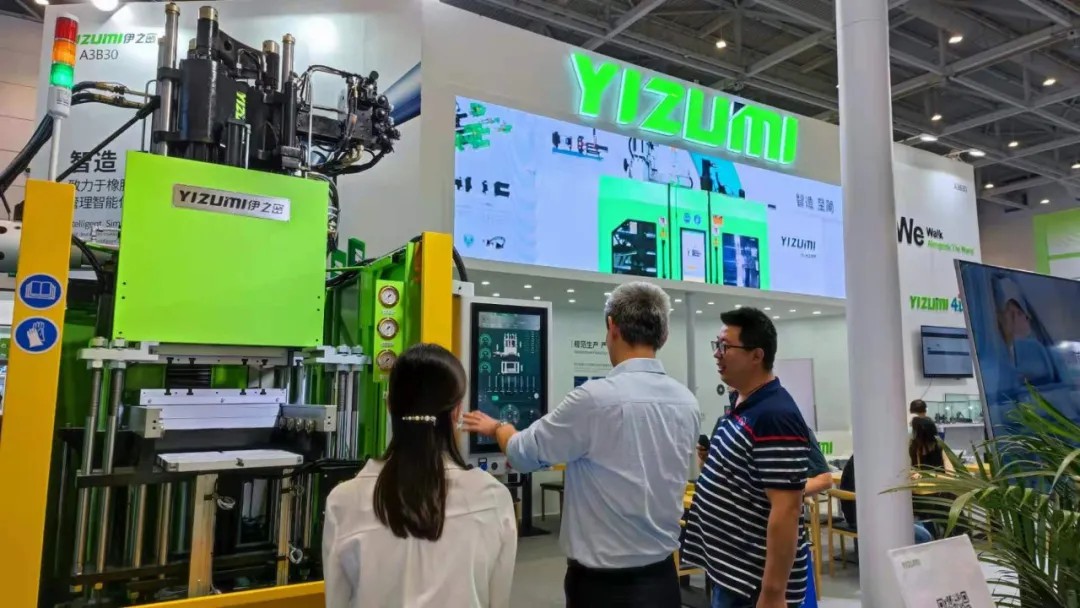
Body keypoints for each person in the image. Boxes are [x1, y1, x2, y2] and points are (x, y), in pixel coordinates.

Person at [463, 281, 700, 608]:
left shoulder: (594, 400)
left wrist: (497, 427)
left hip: (602, 589)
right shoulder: (687, 402)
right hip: (663, 581)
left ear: (612, 327)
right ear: (664, 334)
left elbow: (523, 454)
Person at [323, 343, 518, 608]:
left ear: (389, 404)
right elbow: (498, 600)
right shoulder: (493, 497)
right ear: (457, 412)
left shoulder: (343, 501)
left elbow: (337, 600)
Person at [682, 307, 811, 608]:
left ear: (756, 355)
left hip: (753, 585)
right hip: (732, 573)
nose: (717, 354)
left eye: (725, 347)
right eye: (717, 345)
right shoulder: (743, 402)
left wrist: (773, 592)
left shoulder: (775, 415)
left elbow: (787, 509)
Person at [837, 456, 933, 545]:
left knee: (920, 524)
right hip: (866, 519)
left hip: (859, 514)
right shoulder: (871, 460)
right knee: (925, 536)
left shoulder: (863, 457)